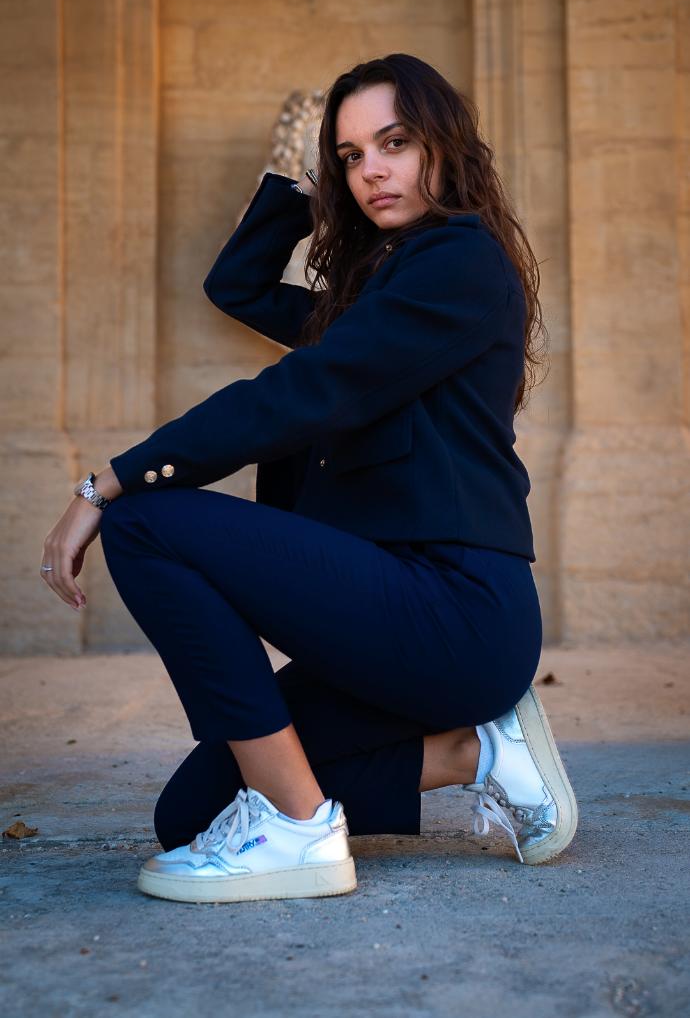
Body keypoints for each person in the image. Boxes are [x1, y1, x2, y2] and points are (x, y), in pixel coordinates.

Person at [40, 53, 577, 905]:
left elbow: (305, 391)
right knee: (189, 815)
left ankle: (297, 831)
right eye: (351, 156)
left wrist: (107, 482)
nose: (372, 172)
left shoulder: (458, 265)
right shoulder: (383, 290)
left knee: (144, 520)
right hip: (392, 621)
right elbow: (238, 286)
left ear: (444, 143)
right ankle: (476, 752)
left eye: (395, 143)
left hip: (454, 610)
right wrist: (303, 184)